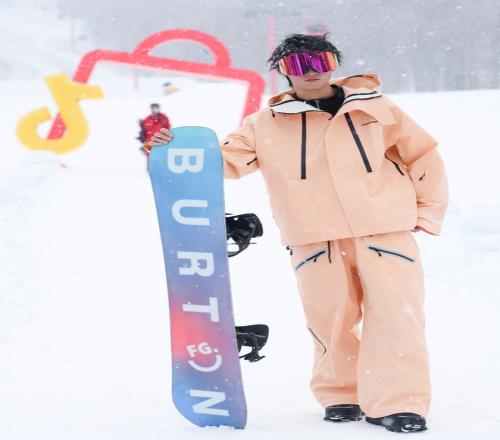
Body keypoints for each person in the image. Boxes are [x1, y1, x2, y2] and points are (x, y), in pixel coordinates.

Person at [145, 33, 449, 433]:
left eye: (319, 62)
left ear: (333, 64)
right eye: (297, 65)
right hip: (313, 237)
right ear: (283, 72)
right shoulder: (265, 124)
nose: (310, 72)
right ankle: (342, 394)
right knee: (330, 320)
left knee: (398, 316)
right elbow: (224, 160)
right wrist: (172, 149)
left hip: (384, 232)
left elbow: (422, 154)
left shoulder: (375, 108)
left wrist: (428, 209)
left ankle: (399, 403)